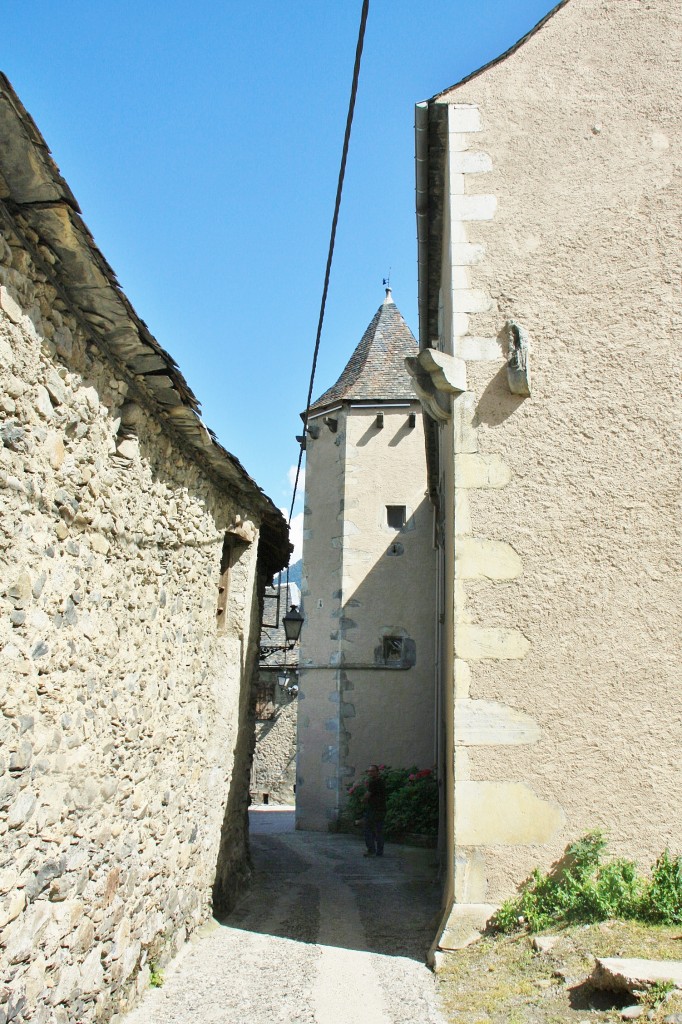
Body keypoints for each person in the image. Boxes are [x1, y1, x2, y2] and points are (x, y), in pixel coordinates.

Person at [363, 764, 386, 857]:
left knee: (367, 829)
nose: (370, 773)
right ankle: (380, 851)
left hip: (374, 809)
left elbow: (367, 795)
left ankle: (371, 850)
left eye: (372, 771)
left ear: (377, 772)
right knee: (379, 831)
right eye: (369, 771)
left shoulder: (373, 783)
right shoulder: (382, 782)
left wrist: (363, 800)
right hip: (382, 809)